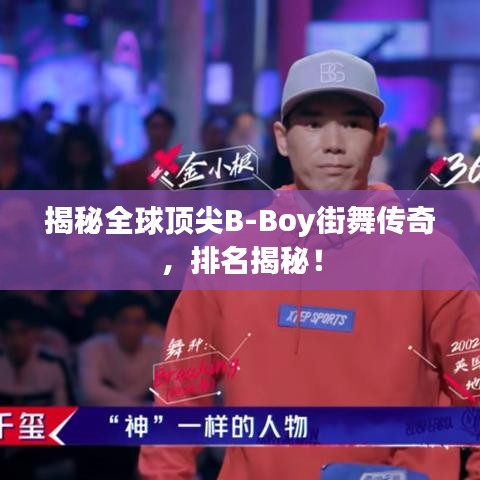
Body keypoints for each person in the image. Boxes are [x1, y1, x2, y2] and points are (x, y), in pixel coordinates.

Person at [139, 50, 480, 479]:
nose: (333, 142)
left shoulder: (433, 259)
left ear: (379, 140)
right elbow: (179, 398)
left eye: (352, 124)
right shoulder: (228, 257)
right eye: (313, 124)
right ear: (282, 138)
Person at [111, 106, 176, 189]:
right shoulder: (128, 170)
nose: (159, 133)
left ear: (170, 131)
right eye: (154, 127)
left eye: (164, 127)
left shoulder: (181, 172)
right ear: (146, 130)